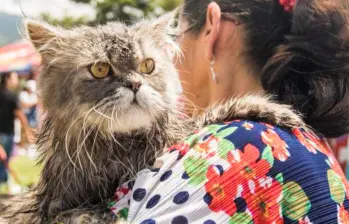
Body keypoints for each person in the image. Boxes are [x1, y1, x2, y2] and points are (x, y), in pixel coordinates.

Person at [0, 72, 33, 192]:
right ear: (7, 80)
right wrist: (28, 131)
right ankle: (4, 182)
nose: (17, 81)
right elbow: (20, 115)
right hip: (7, 134)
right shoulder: (12, 96)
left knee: (3, 160)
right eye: (14, 78)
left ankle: (5, 183)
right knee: (5, 160)